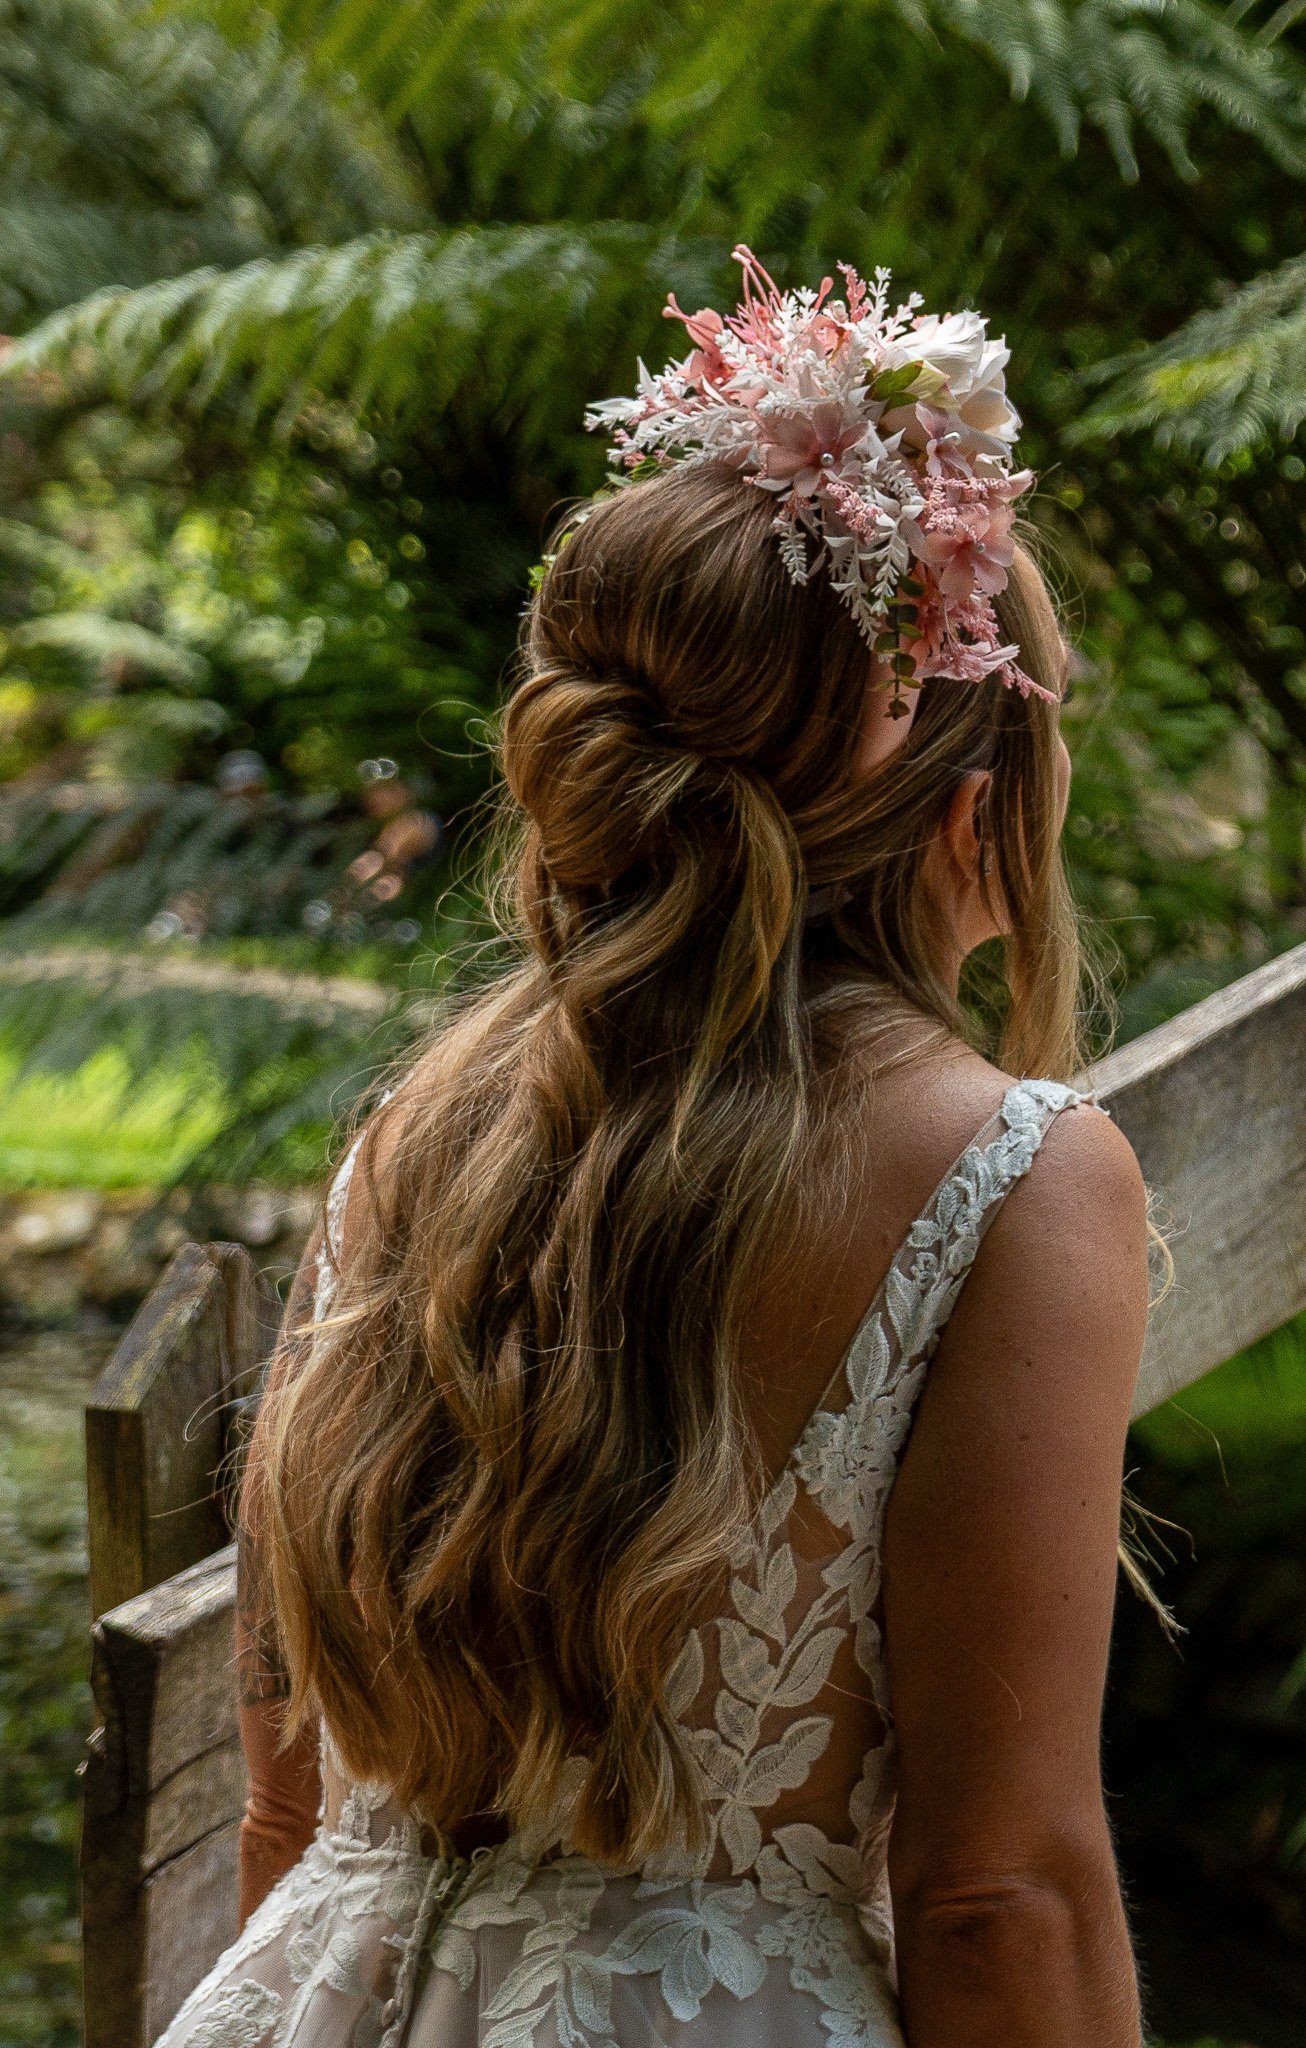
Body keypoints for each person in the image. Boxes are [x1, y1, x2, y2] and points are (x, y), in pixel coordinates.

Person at [159, 250, 1156, 2048]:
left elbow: (286, 1799)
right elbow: (994, 1891)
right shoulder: (1012, 1171)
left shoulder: (420, 1130)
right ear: (971, 812)